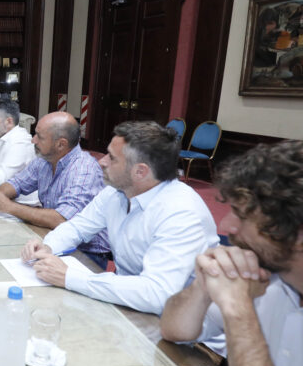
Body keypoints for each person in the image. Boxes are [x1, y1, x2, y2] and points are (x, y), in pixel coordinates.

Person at [160, 140, 303, 366]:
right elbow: (174, 330)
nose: (226, 225)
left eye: (242, 216)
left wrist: (237, 308)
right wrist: (202, 287)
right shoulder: (267, 273)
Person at [20, 121, 219, 315]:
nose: (102, 161)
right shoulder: (116, 191)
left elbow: (156, 293)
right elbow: (78, 227)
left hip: (179, 321)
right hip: (126, 300)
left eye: (112, 158)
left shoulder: (181, 213)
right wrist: (48, 246)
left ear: (140, 171)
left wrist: (69, 277)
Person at [0, 112, 110, 268]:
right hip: (52, 238)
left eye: (39, 137)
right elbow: (16, 183)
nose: (33, 140)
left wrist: (8, 206)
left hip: (86, 254)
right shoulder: (44, 160)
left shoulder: (83, 169)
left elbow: (61, 220)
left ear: (61, 144)